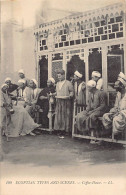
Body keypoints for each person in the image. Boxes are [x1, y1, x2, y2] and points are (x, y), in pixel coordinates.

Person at [54, 69, 74, 135]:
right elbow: (57, 92)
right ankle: (60, 129)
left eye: (60, 76)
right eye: (58, 76)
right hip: (59, 101)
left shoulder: (68, 83)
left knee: (66, 115)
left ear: (63, 75)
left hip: (66, 102)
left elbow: (72, 91)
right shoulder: (57, 83)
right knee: (59, 116)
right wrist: (53, 94)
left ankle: (67, 130)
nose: (58, 77)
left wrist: (70, 96)